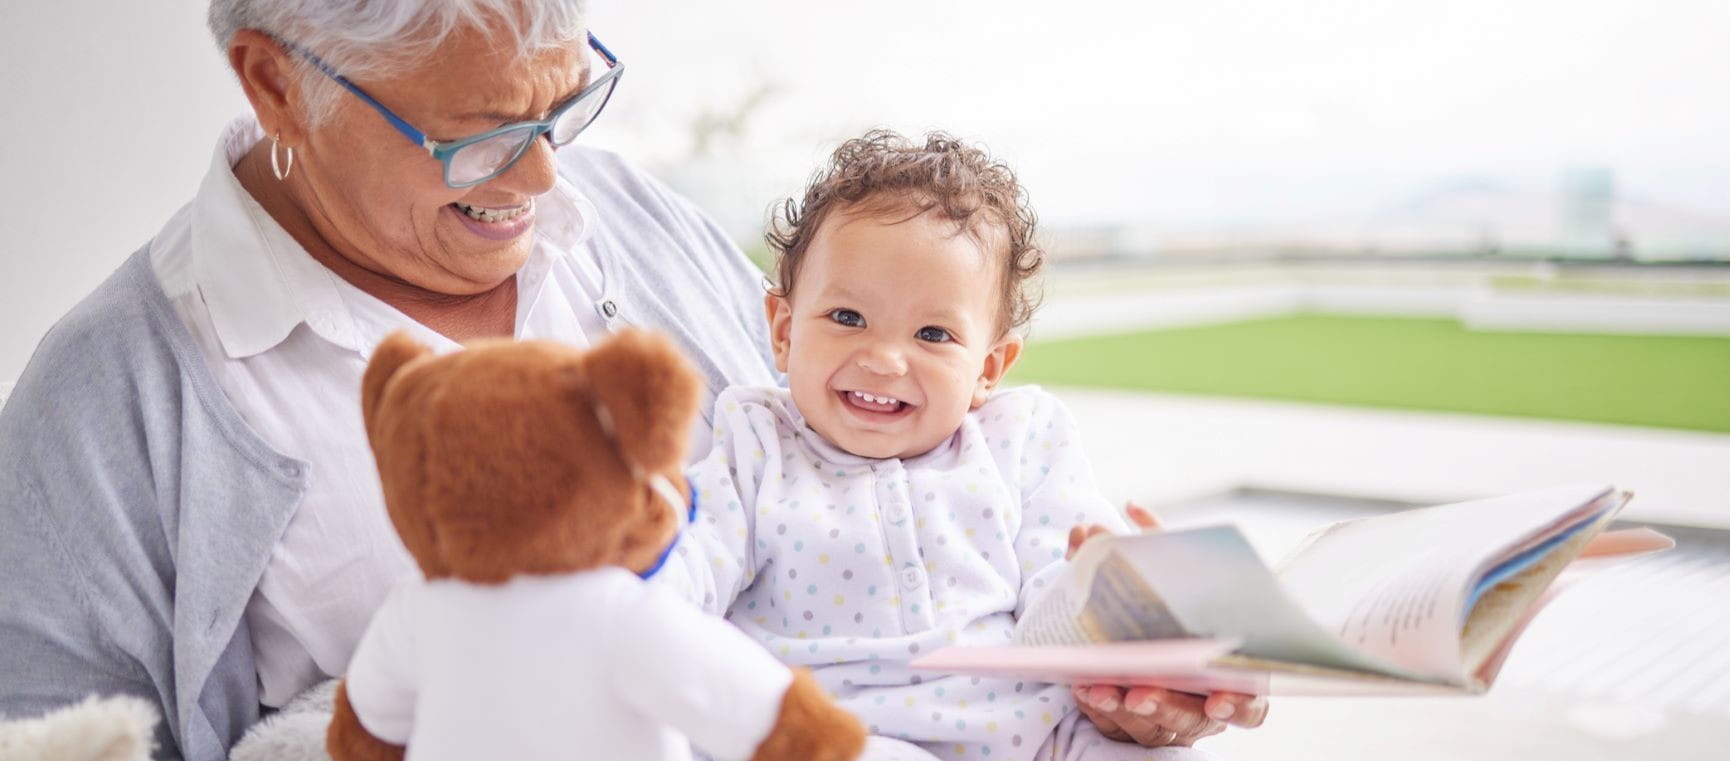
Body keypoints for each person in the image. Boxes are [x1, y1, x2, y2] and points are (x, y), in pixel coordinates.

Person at [0, 1, 1256, 759]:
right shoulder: (113, 405)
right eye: (481, 133)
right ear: (280, 84)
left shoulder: (628, 216)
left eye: (565, 103)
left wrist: (1120, 675)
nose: (547, 182)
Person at [656, 130, 1267, 761]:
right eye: (847, 318)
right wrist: (641, 573)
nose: (885, 358)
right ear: (783, 331)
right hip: (839, 735)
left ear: (989, 368)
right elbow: (694, 559)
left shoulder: (1019, 439)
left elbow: (1060, 576)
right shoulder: (758, 441)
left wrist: (1125, 605)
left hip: (1036, 734)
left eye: (932, 333)